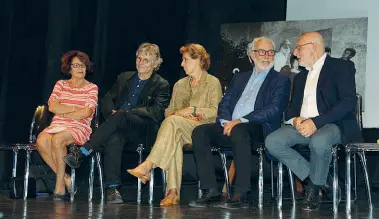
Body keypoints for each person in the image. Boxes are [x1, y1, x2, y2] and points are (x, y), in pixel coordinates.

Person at [265, 32, 363, 211]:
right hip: (303, 126)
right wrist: (295, 121)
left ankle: (313, 190)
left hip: (334, 125)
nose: (295, 53)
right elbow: (293, 108)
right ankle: (322, 180)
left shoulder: (340, 67)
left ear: (312, 47)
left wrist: (316, 123)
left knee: (319, 140)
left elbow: (348, 102)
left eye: (299, 48)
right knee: (273, 141)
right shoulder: (301, 76)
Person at [189, 36, 291, 209]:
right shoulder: (240, 78)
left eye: (270, 52)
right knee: (200, 132)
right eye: (261, 52)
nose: (266, 56)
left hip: (258, 128)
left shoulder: (280, 80)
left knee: (240, 131)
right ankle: (211, 191)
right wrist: (224, 121)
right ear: (252, 55)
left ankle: (240, 194)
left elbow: (274, 109)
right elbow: (225, 103)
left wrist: (240, 121)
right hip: (231, 126)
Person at [62, 43, 170, 204]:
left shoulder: (161, 84)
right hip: (117, 126)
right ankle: (113, 189)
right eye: (138, 58)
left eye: (146, 60)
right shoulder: (125, 77)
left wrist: (125, 113)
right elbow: (107, 99)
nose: (140, 62)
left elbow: (156, 112)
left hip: (142, 131)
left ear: (155, 64)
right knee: (114, 137)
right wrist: (112, 112)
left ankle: (83, 151)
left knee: (120, 117)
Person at [127, 43, 222, 206]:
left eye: (185, 60)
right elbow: (168, 111)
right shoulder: (179, 85)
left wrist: (191, 110)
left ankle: (148, 165)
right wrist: (176, 114)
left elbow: (215, 112)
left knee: (172, 125)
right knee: (174, 136)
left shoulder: (212, 82)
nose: (181, 64)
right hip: (179, 128)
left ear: (198, 60)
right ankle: (173, 192)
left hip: (203, 130)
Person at [36, 50, 98, 200]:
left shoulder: (92, 87)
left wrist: (63, 110)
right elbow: (52, 107)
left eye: (83, 65)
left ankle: (60, 187)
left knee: (57, 140)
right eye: (76, 65)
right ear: (69, 68)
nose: (80, 68)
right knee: (41, 140)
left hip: (79, 127)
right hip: (58, 123)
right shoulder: (61, 84)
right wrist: (73, 109)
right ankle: (65, 178)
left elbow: (86, 113)